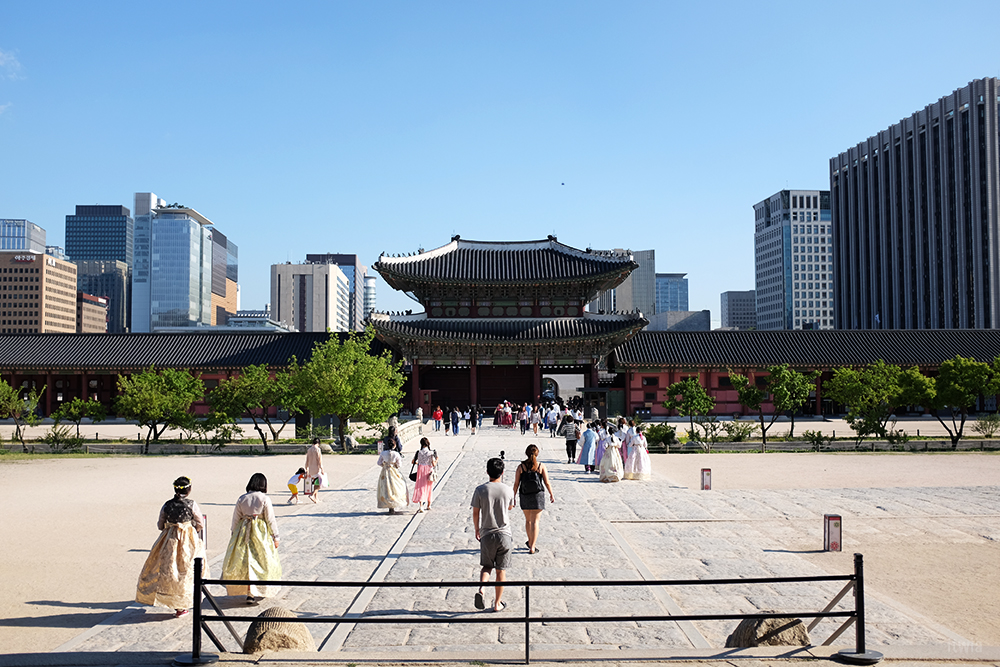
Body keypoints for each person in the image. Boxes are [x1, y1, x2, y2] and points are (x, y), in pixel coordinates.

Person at [135, 476, 205, 617]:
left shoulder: (167, 505)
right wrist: (194, 529)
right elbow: (199, 521)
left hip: (170, 538)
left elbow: (160, 524)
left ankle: (172, 601)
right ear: (189, 489)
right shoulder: (191, 504)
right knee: (186, 569)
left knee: (170, 569)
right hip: (187, 537)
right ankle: (182, 603)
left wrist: (168, 528)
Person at [222, 473, 281, 604]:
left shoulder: (242, 498)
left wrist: (234, 534)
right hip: (260, 532)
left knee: (245, 561)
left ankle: (249, 591)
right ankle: (259, 589)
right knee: (262, 560)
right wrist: (275, 536)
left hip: (243, 531)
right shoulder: (264, 498)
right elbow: (270, 520)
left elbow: (235, 519)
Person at [470, 457, 514, 612]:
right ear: (502, 472)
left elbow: (476, 512)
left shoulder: (480, 490)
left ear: (487, 471)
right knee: (501, 570)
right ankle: (497, 603)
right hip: (504, 534)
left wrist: (477, 529)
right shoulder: (508, 489)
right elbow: (510, 507)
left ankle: (482, 589)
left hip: (487, 533)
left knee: (487, 566)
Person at [512, 444, 554, 554]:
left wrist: (513, 497)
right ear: (537, 453)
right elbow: (547, 482)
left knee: (528, 520)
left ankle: (530, 542)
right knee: (536, 521)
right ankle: (533, 546)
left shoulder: (521, 467)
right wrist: (551, 494)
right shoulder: (541, 466)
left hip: (525, 494)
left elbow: (516, 484)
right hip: (538, 495)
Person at [377, 442, 409, 514]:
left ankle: (389, 505)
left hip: (385, 471)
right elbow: (399, 464)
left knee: (386, 488)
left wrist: (384, 465)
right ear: (394, 446)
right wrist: (394, 465)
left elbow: (379, 463)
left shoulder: (383, 453)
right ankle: (394, 504)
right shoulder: (396, 454)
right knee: (396, 486)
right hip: (393, 470)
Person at [411, 437, 439, 512]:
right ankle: (429, 505)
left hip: (420, 470)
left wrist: (420, 463)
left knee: (420, 488)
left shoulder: (418, 452)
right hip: (428, 470)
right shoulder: (431, 453)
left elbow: (413, 461)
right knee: (429, 487)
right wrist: (437, 460)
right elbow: (433, 464)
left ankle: (421, 506)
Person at [305, 437, 325, 503]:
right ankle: (312, 495)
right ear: (318, 443)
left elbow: (307, 459)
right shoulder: (318, 449)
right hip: (317, 469)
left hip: (311, 469)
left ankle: (316, 498)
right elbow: (319, 460)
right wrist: (322, 468)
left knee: (315, 484)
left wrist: (306, 467)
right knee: (319, 485)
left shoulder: (309, 449)